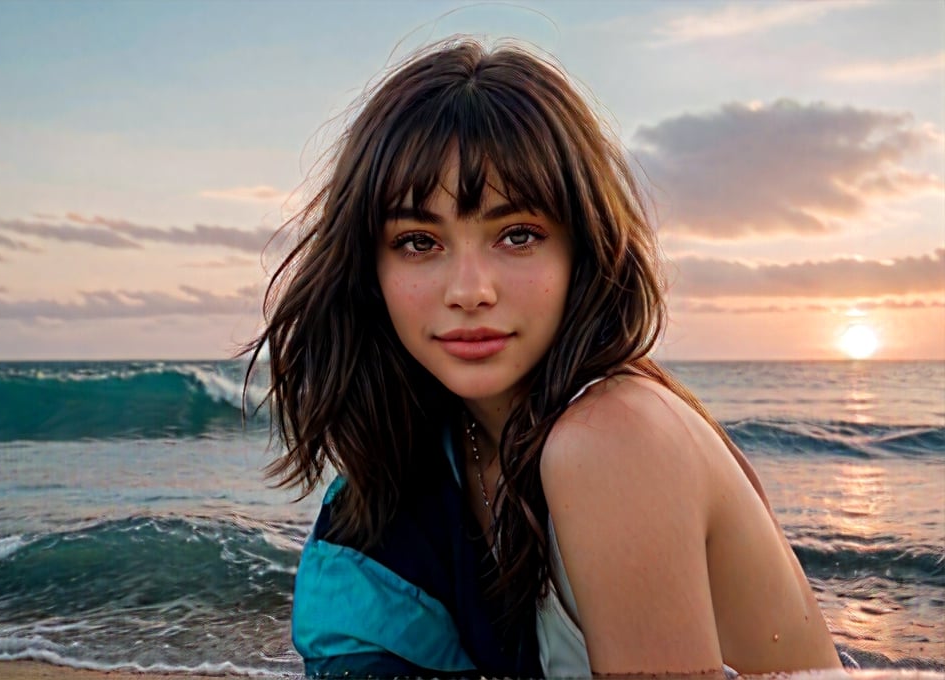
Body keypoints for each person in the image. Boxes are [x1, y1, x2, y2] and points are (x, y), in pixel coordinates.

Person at [244, 37, 845, 677]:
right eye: (419, 242)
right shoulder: (418, 475)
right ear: (371, 270)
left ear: (582, 250)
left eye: (518, 235)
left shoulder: (611, 437)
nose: (469, 290)